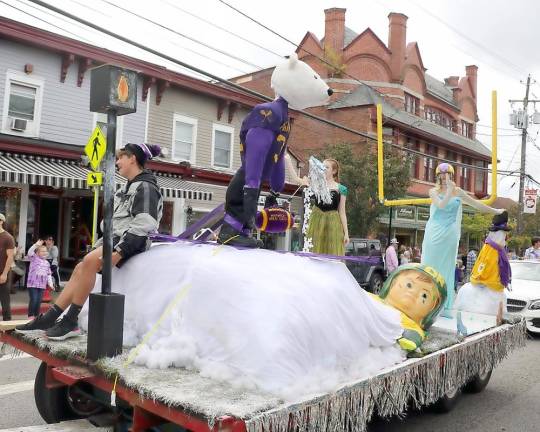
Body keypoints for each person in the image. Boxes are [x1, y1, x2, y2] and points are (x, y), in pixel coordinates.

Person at [17, 142, 163, 339]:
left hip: (132, 244)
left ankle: (71, 320)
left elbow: (144, 224)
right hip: (116, 241)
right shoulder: (129, 187)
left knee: (88, 262)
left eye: (121, 157)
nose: (117, 162)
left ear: (133, 158)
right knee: (79, 268)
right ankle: (52, 315)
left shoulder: (146, 187)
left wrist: (120, 252)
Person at [421, 163, 503, 317]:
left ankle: (443, 306)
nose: (444, 178)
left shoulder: (458, 192)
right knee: (430, 267)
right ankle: (426, 303)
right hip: (434, 233)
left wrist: (496, 211)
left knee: (446, 269)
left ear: (451, 176)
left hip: (449, 235)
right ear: (437, 177)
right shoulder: (433, 191)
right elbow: (441, 205)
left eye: (447, 176)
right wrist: (450, 191)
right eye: (441, 176)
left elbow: (477, 204)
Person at [286, 155, 350, 255]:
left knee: (332, 250)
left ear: (334, 171)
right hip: (317, 217)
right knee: (315, 248)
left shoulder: (341, 189)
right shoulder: (316, 184)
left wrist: (346, 233)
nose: (323, 169)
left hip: (333, 220)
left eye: (326, 167)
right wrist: (288, 161)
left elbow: (342, 212)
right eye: (322, 166)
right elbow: (296, 179)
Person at [26, 240, 53, 317]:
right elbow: (30, 252)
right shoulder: (34, 259)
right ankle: (30, 316)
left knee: (38, 301)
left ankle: (36, 316)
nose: (44, 253)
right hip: (32, 284)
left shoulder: (47, 263)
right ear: (37, 253)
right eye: (42, 251)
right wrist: (36, 245)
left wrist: (50, 284)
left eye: (45, 251)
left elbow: (48, 274)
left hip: (42, 285)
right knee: (34, 300)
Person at [0, 213, 15, 321]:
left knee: (5, 300)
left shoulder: (8, 237)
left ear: (1, 221)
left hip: (2, 273)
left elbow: (10, 257)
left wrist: (4, 274)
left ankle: (7, 324)